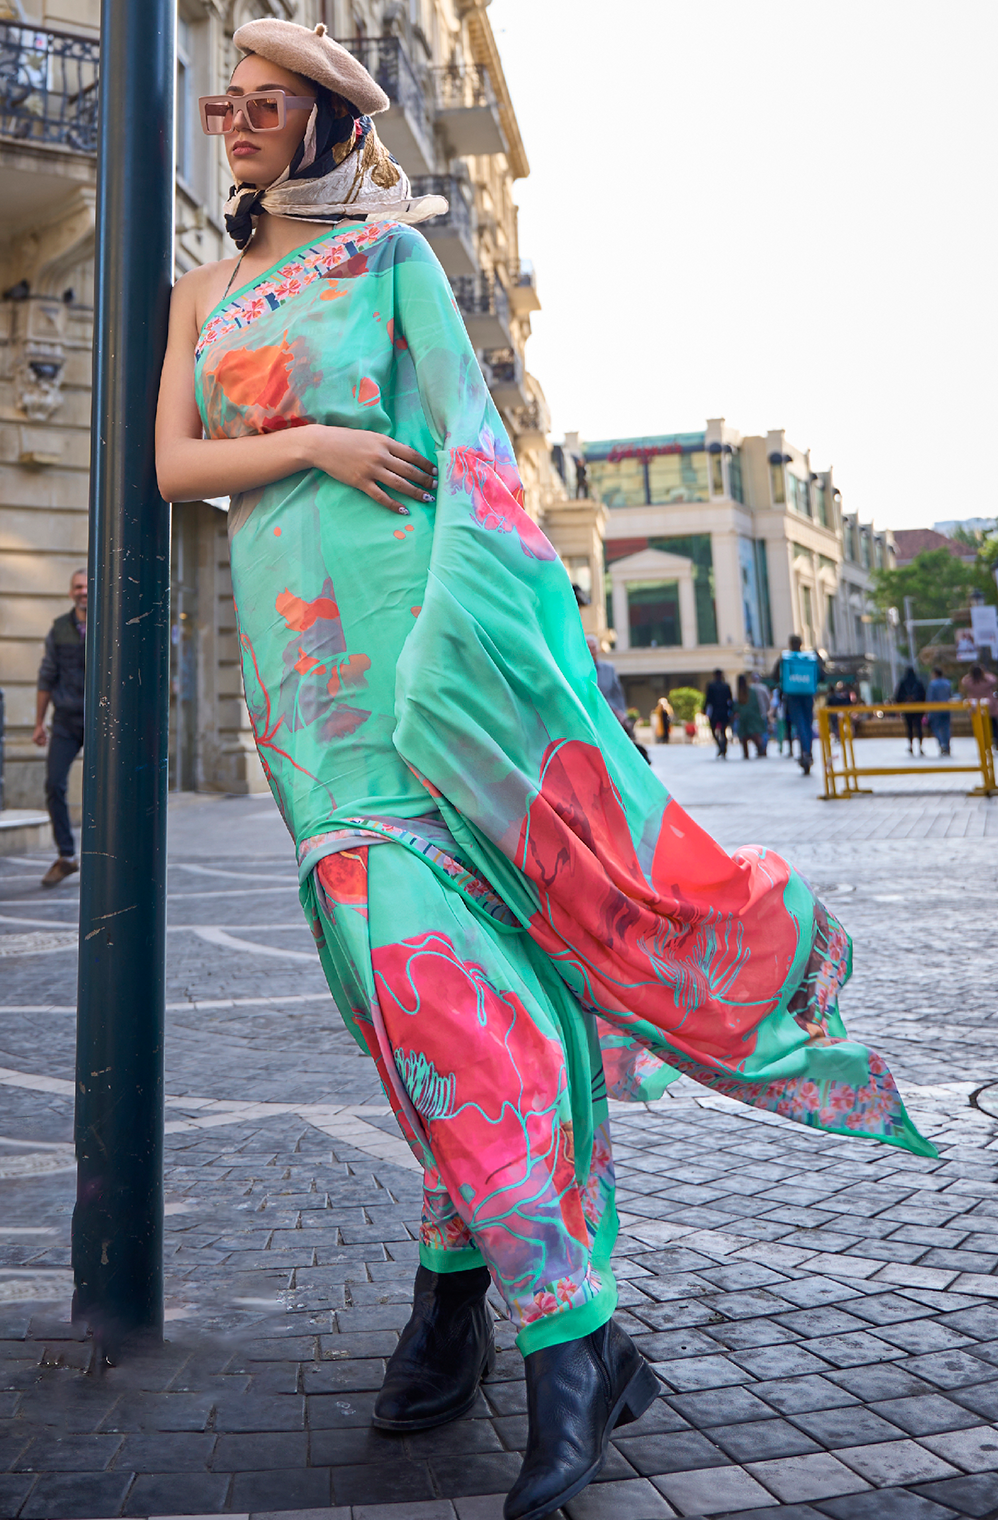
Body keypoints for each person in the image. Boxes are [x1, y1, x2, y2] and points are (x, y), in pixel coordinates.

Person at [153, 24, 932, 1517]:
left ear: (322, 130)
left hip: (422, 651)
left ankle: (563, 1334)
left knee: (446, 983)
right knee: (392, 983)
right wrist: (314, 435)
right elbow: (178, 466)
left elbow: (474, 450)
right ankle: (459, 1290)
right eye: (225, 105)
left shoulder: (395, 265)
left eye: (263, 109)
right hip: (304, 687)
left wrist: (481, 663)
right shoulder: (207, 288)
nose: (236, 124)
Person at [34, 568, 87, 887]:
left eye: (87, 586)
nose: (82, 591)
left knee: (106, 791)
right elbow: (46, 677)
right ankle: (66, 856)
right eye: (77, 587)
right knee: (54, 784)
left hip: (100, 723)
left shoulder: (106, 624)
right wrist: (38, 723)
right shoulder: (59, 629)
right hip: (66, 722)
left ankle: (104, 855)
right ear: (71, 592)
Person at [772, 635, 823, 775]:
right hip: (808, 695)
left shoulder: (785, 658)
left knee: (799, 724)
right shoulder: (809, 658)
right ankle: (808, 752)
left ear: (790, 644)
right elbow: (822, 675)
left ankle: (805, 752)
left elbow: (775, 677)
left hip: (792, 696)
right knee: (807, 724)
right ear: (801, 644)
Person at [960, 663, 998, 750]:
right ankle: (995, 741)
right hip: (989, 705)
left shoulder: (969, 682)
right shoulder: (987, 681)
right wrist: (985, 673)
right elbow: (994, 679)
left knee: (980, 727)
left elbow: (963, 681)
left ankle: (983, 743)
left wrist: (969, 674)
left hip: (975, 706)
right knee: (993, 726)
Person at [894, 665, 927, 755]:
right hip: (917, 709)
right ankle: (920, 746)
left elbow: (897, 697)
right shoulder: (918, 682)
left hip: (907, 709)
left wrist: (906, 699)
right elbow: (923, 695)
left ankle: (911, 745)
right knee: (918, 727)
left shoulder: (903, 683)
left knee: (909, 728)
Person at [704, 668, 733, 759]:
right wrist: (731, 710)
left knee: (713, 730)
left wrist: (704, 709)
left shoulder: (711, 686)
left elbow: (708, 699)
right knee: (723, 731)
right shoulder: (726, 686)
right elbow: (730, 700)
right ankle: (723, 747)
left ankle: (721, 746)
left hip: (715, 711)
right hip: (724, 710)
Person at [734, 674, 765, 759]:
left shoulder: (741, 692)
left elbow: (737, 705)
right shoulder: (751, 691)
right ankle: (760, 749)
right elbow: (756, 704)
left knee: (745, 736)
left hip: (745, 716)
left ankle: (747, 753)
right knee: (753, 734)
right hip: (751, 716)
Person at [926, 666, 953, 757]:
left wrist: (928, 710)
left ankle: (942, 744)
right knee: (946, 727)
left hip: (936, 709)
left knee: (936, 727)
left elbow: (930, 697)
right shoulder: (947, 683)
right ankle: (947, 744)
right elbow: (950, 695)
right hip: (946, 708)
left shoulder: (933, 684)